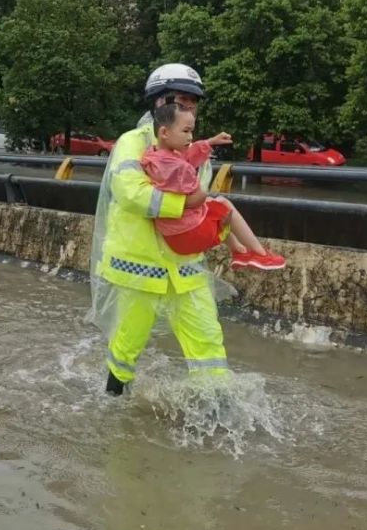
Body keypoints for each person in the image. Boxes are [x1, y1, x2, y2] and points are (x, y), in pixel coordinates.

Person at [91, 63, 231, 397]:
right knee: (128, 342)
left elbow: (200, 201)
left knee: (208, 340)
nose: (190, 109)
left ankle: (219, 406)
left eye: (193, 103)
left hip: (185, 268)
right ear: (160, 102)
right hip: (140, 267)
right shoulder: (133, 142)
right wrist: (181, 206)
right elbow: (129, 191)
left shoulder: (195, 151)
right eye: (183, 101)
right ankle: (113, 399)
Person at [143, 103, 285, 270]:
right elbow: (197, 197)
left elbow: (186, 155)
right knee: (223, 204)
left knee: (214, 205)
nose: (190, 137)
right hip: (190, 233)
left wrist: (210, 142)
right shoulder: (179, 167)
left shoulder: (153, 156)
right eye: (186, 131)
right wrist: (204, 193)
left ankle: (239, 250)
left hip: (171, 235)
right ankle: (260, 254)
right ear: (165, 132)